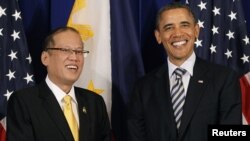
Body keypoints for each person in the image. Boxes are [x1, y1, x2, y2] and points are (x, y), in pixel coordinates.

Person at [127, 2, 242, 141]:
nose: (177, 33)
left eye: (184, 25)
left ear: (196, 31)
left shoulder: (224, 79)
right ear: (158, 36)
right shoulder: (142, 88)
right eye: (169, 27)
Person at [7, 27, 111, 141]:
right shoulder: (23, 102)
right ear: (45, 58)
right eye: (66, 50)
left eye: (79, 51)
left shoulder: (95, 103)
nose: (74, 57)